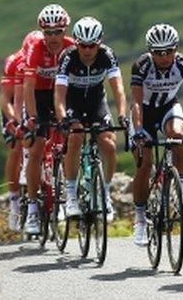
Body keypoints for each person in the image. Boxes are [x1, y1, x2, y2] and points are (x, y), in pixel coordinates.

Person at [129, 24, 183, 246]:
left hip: (168, 107)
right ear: (151, 52)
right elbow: (136, 102)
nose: (164, 57)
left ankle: (180, 187)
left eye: (169, 51)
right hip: (143, 112)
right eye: (159, 52)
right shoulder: (141, 65)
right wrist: (139, 131)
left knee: (177, 134)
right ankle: (140, 219)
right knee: (145, 164)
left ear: (175, 49)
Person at [54, 16, 126, 223]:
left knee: (109, 145)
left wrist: (122, 114)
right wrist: (63, 119)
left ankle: (104, 192)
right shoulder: (68, 57)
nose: (87, 50)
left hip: (96, 103)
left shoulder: (107, 55)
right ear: (76, 43)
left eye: (92, 45)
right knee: (75, 138)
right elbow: (59, 96)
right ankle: (71, 196)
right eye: (82, 45)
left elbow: (118, 89)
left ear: (99, 43)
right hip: (72, 103)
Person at [22, 4, 75, 234]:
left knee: (73, 138)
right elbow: (28, 86)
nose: (53, 37)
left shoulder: (72, 47)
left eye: (58, 32)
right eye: (48, 32)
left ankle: (67, 190)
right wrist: (33, 117)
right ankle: (33, 208)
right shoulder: (35, 48)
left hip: (63, 95)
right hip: (40, 97)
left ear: (65, 31)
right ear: (42, 32)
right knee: (38, 147)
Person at [0, 30, 43, 232]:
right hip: (13, 106)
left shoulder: (47, 55)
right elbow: (8, 100)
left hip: (36, 100)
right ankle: (14, 200)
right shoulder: (14, 62)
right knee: (16, 147)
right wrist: (17, 122)